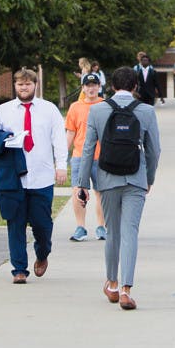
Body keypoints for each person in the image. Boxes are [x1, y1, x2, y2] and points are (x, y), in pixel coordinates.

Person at [79, 67, 161, 310]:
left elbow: (87, 149)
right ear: (136, 86)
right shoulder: (146, 111)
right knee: (130, 232)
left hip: (107, 178)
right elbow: (154, 150)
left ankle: (112, 284)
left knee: (112, 232)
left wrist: (83, 183)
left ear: (112, 86)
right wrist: (149, 178)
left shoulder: (97, 110)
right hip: (135, 178)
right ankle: (127, 289)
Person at [0, 68, 68, 284]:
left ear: (35, 85)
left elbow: (59, 139)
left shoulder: (49, 110)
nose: (24, 87)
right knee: (15, 223)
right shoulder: (3, 111)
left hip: (41, 176)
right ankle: (19, 269)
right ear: (15, 86)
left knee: (42, 225)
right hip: (13, 178)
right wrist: (6, 139)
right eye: (20, 84)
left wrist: (61, 166)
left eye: (28, 84)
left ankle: (42, 254)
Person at [65, 72, 107, 242]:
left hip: (100, 156)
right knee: (78, 192)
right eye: (87, 85)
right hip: (79, 156)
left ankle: (101, 227)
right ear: (83, 88)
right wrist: (60, 159)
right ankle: (80, 227)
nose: (91, 88)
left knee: (101, 192)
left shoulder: (105, 105)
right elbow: (70, 133)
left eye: (94, 85)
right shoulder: (75, 107)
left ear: (99, 86)